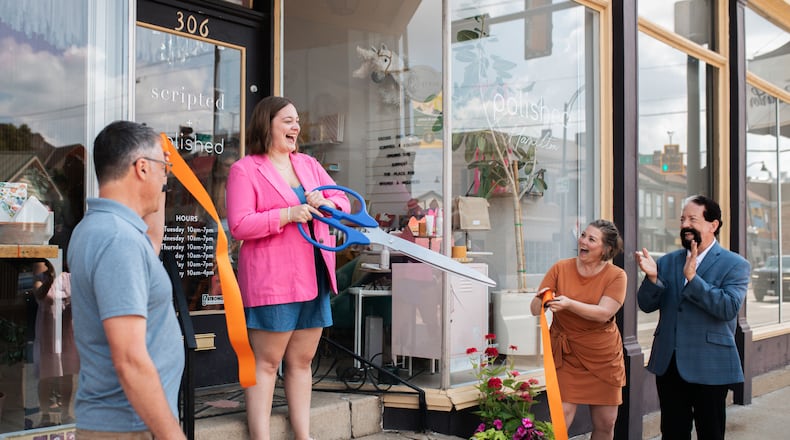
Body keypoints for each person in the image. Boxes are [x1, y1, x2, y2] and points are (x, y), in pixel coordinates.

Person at [226, 96, 350, 440]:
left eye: (297, 121)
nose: (296, 127)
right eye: (287, 121)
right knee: (265, 364)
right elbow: (239, 224)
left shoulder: (309, 165)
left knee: (302, 361)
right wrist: (286, 215)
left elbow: (343, 200)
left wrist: (327, 202)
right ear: (267, 125)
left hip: (314, 275)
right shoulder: (245, 169)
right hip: (273, 281)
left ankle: (302, 435)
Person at [68, 120, 186, 439]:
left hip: (127, 422)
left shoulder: (100, 229)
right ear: (142, 168)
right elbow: (130, 360)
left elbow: (154, 238)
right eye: (164, 167)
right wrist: (171, 435)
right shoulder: (118, 241)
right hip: (130, 426)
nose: (167, 176)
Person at [636, 195, 750, 440]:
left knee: (710, 432)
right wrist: (653, 279)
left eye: (692, 219)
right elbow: (645, 305)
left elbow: (728, 308)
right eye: (682, 219)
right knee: (673, 432)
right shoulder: (666, 262)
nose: (685, 225)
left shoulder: (735, 264)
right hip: (670, 363)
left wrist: (693, 279)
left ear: (713, 225)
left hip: (711, 364)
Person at [530, 219, 627, 440]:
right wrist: (540, 299)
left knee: (606, 422)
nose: (582, 241)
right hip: (567, 354)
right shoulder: (560, 268)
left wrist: (569, 304)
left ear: (606, 249)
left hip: (603, 356)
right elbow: (535, 310)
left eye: (591, 239)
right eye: (583, 235)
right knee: (560, 417)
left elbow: (604, 313)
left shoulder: (617, 276)